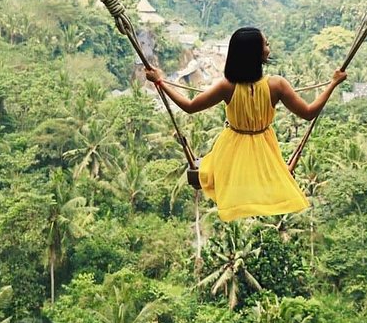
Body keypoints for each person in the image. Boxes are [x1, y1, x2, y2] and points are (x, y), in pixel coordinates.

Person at [145, 27, 347, 221]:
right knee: (268, 182)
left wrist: (160, 82)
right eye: (266, 44)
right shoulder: (277, 85)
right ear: (255, 54)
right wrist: (333, 84)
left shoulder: (227, 86)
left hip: (231, 147)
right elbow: (309, 113)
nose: (269, 47)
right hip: (264, 148)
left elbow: (189, 106)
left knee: (229, 181)